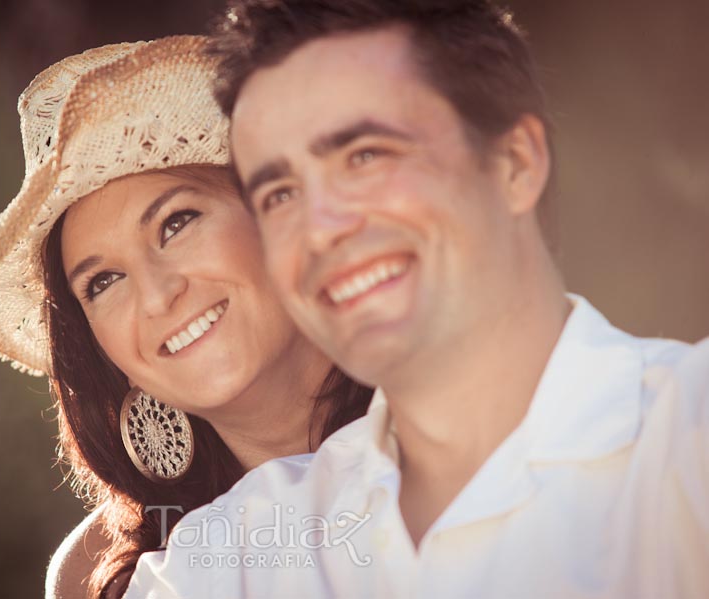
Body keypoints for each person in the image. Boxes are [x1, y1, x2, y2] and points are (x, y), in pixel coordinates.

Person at [124, 1, 709, 597]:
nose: (318, 228)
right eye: (279, 194)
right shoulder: (228, 561)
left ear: (516, 163)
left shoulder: (689, 436)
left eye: (365, 156)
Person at [0, 36, 371, 599]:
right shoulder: (103, 578)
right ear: (103, 350)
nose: (155, 296)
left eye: (176, 224)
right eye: (103, 282)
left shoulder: (475, 408)